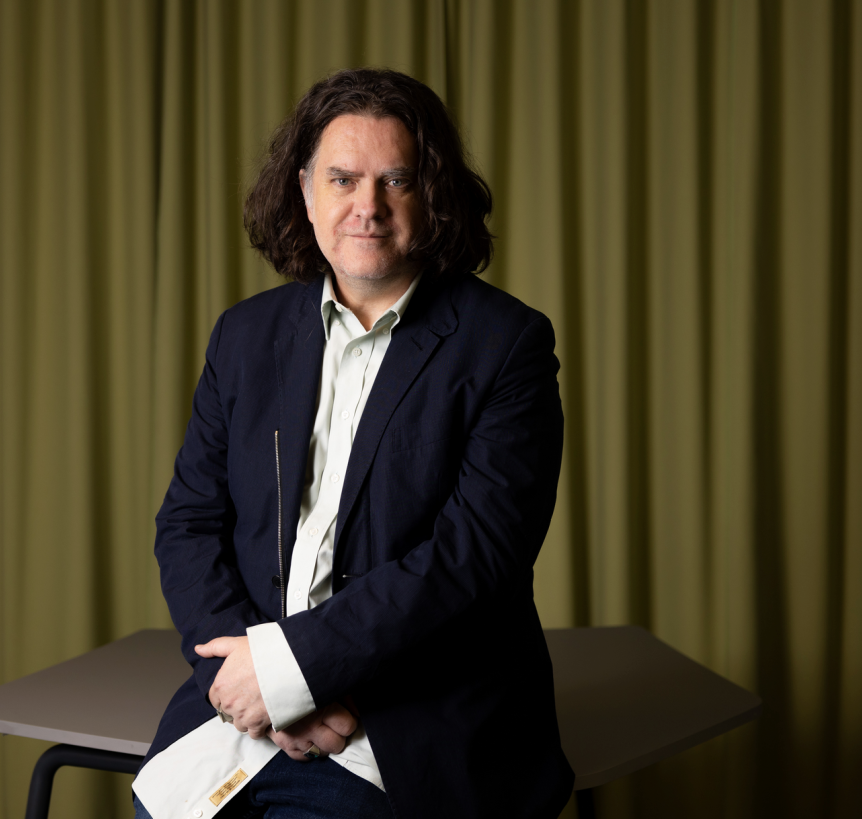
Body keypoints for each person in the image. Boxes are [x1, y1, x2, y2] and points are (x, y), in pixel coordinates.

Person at [131, 67, 572, 819]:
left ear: (432, 195)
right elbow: (188, 524)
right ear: (305, 191)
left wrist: (294, 674)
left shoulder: (507, 346)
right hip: (242, 720)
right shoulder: (245, 336)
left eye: (396, 180)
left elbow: (472, 561)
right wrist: (254, 683)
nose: (367, 206)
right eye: (342, 179)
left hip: (401, 730)